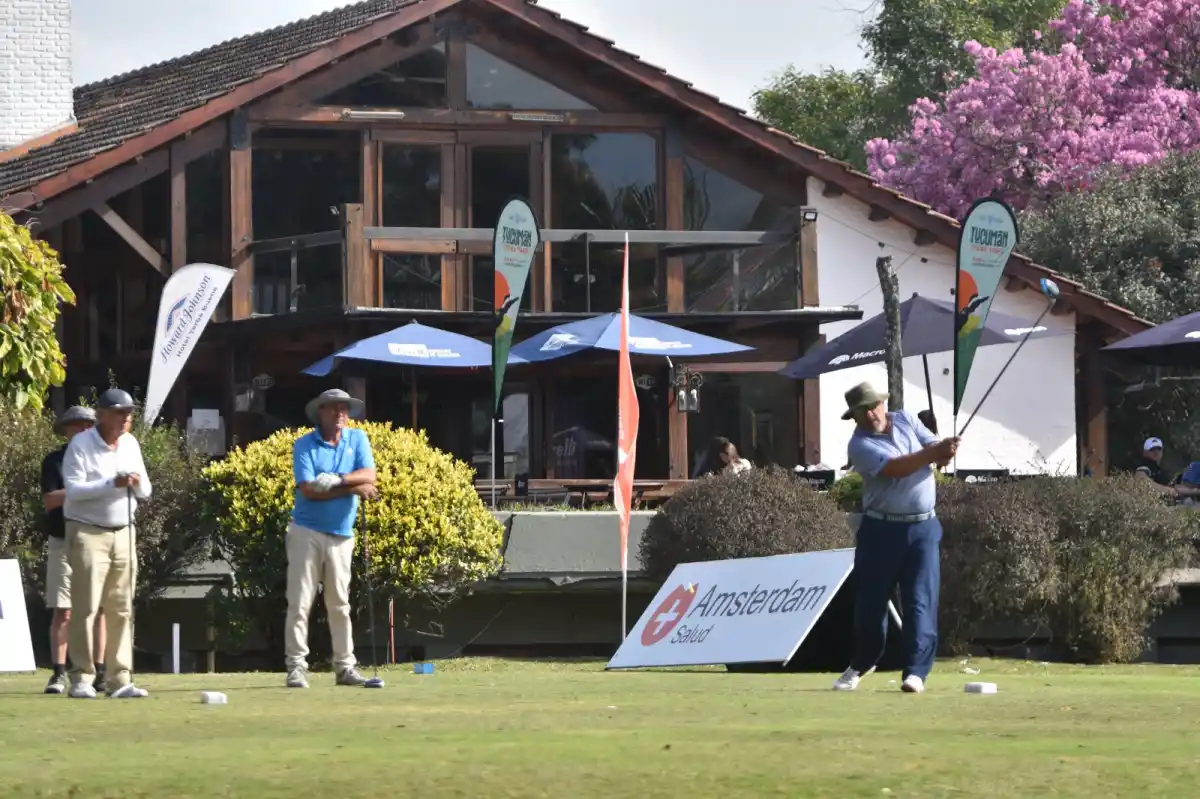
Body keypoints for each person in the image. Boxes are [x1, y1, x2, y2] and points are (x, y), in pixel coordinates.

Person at [833, 382, 959, 695]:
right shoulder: (859, 445)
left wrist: (945, 452)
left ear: (881, 404)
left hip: (922, 529)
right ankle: (863, 662)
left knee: (920, 601)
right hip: (880, 531)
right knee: (871, 605)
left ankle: (916, 672)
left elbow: (935, 452)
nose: (871, 414)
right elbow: (896, 468)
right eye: (863, 411)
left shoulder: (905, 419)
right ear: (855, 417)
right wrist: (933, 453)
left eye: (873, 406)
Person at [285, 388, 378, 689]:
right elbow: (309, 489)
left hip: (341, 534)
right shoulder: (304, 445)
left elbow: (370, 476)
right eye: (333, 408)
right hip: (306, 531)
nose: (340, 413)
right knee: (300, 602)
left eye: (344, 408)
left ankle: (345, 667)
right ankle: (297, 667)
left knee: (339, 603)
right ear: (320, 413)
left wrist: (339, 480)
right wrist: (352, 487)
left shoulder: (357, 439)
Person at [62, 388, 152, 699]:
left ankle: (120, 679)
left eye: (128, 412)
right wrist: (112, 483)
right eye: (119, 412)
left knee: (122, 608)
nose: (126, 418)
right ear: (101, 414)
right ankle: (82, 678)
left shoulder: (130, 443)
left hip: (124, 530)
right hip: (87, 531)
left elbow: (146, 491)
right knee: (86, 607)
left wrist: (136, 482)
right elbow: (74, 491)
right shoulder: (80, 444)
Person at [41, 406, 108, 695]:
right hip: (63, 539)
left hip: (96, 537)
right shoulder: (54, 461)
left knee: (99, 609)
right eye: (76, 425)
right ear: (66, 430)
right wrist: (84, 490)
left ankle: (101, 672)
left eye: (87, 425)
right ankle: (58, 673)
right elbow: (50, 500)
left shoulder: (101, 459)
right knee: (63, 610)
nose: (82, 430)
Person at [1135, 437, 1200, 502]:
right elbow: (1141, 480)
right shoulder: (1145, 466)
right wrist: (1166, 490)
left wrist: (1195, 491)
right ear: (1145, 452)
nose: (1156, 452)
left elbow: (1174, 488)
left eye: (1159, 449)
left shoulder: (1159, 469)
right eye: (1152, 449)